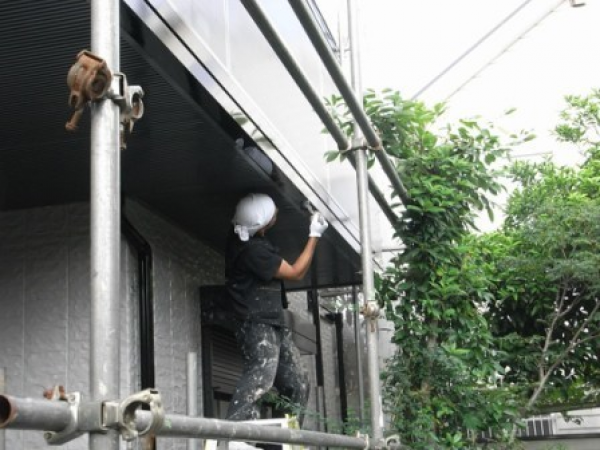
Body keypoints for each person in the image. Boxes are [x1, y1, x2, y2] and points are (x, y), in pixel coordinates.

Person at [224, 193, 328, 429]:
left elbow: (260, 218)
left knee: (298, 383)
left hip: (273, 320)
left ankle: (285, 438)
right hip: (255, 322)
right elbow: (295, 273)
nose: (276, 213)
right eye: (271, 213)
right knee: (260, 375)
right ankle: (237, 436)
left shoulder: (248, 235)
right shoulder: (251, 251)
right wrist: (314, 235)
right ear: (261, 224)